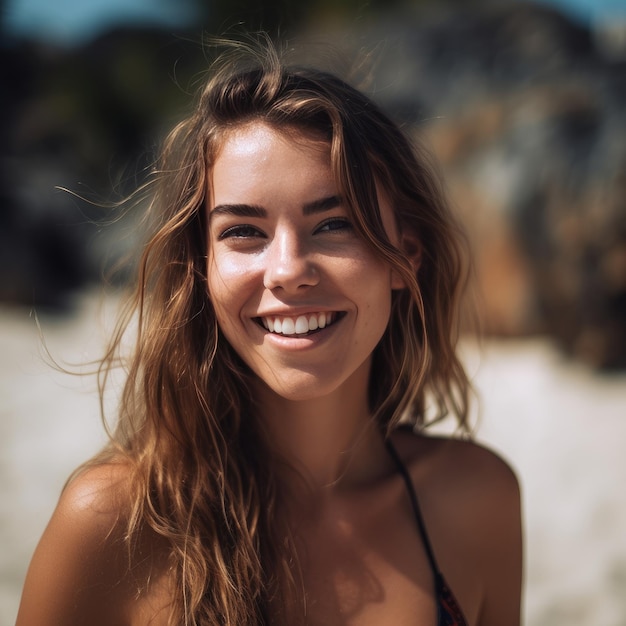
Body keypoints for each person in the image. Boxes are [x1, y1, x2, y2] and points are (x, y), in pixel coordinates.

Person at [16, 39, 522, 626]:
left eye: (334, 224)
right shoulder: (113, 525)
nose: (286, 270)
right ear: (201, 270)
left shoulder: (477, 499)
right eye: (243, 232)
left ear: (405, 257)